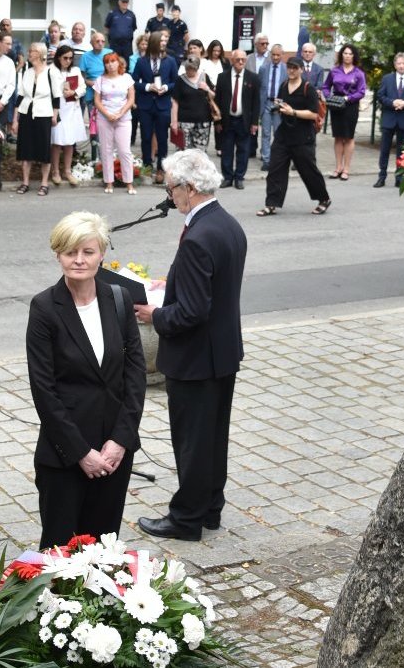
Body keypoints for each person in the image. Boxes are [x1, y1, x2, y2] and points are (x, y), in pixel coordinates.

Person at [133, 151, 246, 542]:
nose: (169, 195)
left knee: (193, 442)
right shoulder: (226, 223)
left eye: (170, 187)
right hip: (222, 352)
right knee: (213, 438)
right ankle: (210, 508)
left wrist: (155, 316)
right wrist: (176, 287)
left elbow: (192, 312)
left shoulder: (198, 236)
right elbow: (211, 290)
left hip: (196, 357)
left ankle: (186, 519)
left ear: (190, 188)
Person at [26, 211, 146, 548]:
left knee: (104, 549)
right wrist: (81, 453)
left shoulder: (119, 300)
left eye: (88, 252)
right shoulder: (45, 308)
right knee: (60, 550)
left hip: (114, 452)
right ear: (58, 254)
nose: (79, 260)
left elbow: (134, 376)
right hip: (64, 455)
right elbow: (44, 390)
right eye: (69, 252)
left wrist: (120, 440)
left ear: (102, 253)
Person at [256, 58, 330, 216]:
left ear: (301, 70)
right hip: (284, 134)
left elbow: (313, 114)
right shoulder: (283, 85)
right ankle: (271, 204)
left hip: (303, 136)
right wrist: (279, 107)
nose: (291, 71)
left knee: (308, 170)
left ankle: (323, 199)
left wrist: (293, 112)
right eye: (289, 67)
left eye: (295, 68)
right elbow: (283, 103)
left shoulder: (308, 88)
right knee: (275, 169)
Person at [12, 42, 61, 196]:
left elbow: (56, 96)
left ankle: (44, 183)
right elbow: (20, 96)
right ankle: (25, 182)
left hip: (43, 113)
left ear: (40, 54)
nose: (29, 52)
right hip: (26, 113)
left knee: (43, 150)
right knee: (25, 149)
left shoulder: (51, 72)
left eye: (32, 50)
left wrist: (55, 114)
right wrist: (15, 119)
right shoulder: (27, 71)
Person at [131, 31, 177, 183]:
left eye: (165, 41)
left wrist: (165, 87)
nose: (164, 43)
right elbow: (134, 81)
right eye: (161, 41)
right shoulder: (141, 62)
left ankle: (160, 169)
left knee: (163, 138)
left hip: (163, 104)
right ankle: (147, 166)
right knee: (145, 137)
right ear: (154, 44)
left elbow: (175, 82)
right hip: (145, 105)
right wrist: (147, 86)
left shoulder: (170, 61)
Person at [213, 48, 261, 190]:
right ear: (232, 60)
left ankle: (239, 177)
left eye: (243, 60)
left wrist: (254, 122)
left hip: (244, 121)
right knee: (226, 150)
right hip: (227, 120)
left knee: (243, 150)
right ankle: (227, 177)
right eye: (238, 59)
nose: (241, 62)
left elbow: (256, 102)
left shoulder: (253, 78)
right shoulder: (222, 77)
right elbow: (217, 101)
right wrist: (217, 122)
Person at [320, 43, 368, 180]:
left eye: (350, 54)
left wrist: (349, 98)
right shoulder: (335, 70)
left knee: (348, 137)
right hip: (336, 105)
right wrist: (328, 96)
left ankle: (346, 168)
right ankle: (338, 167)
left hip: (350, 105)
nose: (347, 56)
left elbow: (362, 91)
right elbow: (326, 86)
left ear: (354, 56)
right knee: (338, 136)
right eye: (345, 53)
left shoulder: (358, 73)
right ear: (341, 55)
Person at [91, 50, 137, 194]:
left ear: (118, 62)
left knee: (125, 151)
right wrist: (107, 114)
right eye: (107, 62)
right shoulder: (100, 80)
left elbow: (131, 99)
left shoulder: (127, 78)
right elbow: (97, 101)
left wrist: (120, 113)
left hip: (123, 118)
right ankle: (109, 182)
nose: (110, 65)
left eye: (113, 61)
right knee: (106, 151)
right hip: (105, 118)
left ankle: (129, 183)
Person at [375, 52, 404, 188]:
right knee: (384, 149)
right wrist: (392, 102)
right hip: (389, 118)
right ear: (395, 65)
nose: (401, 66)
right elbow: (380, 96)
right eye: (399, 63)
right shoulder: (387, 79)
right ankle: (381, 176)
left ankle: (399, 177)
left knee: (402, 150)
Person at [49, 44, 86, 187]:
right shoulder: (52, 71)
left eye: (71, 58)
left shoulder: (75, 70)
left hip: (72, 109)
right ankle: (55, 171)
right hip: (58, 109)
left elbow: (82, 87)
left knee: (70, 142)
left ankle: (67, 171)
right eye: (65, 58)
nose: (68, 61)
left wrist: (74, 93)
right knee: (57, 141)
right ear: (59, 57)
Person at [170, 54, 216, 155]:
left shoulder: (204, 77)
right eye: (187, 69)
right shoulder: (180, 80)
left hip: (203, 122)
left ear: (197, 68)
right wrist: (174, 122)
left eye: (192, 70)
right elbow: (175, 102)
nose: (189, 72)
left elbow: (213, 96)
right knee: (183, 153)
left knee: (200, 154)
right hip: (184, 122)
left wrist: (207, 89)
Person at [256, 43, 286, 165]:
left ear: (282, 55)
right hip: (266, 102)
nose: (275, 57)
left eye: (278, 55)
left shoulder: (286, 69)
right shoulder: (263, 68)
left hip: (279, 103)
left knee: (279, 133)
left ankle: (277, 157)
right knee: (266, 133)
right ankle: (266, 159)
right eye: (273, 55)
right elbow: (260, 87)